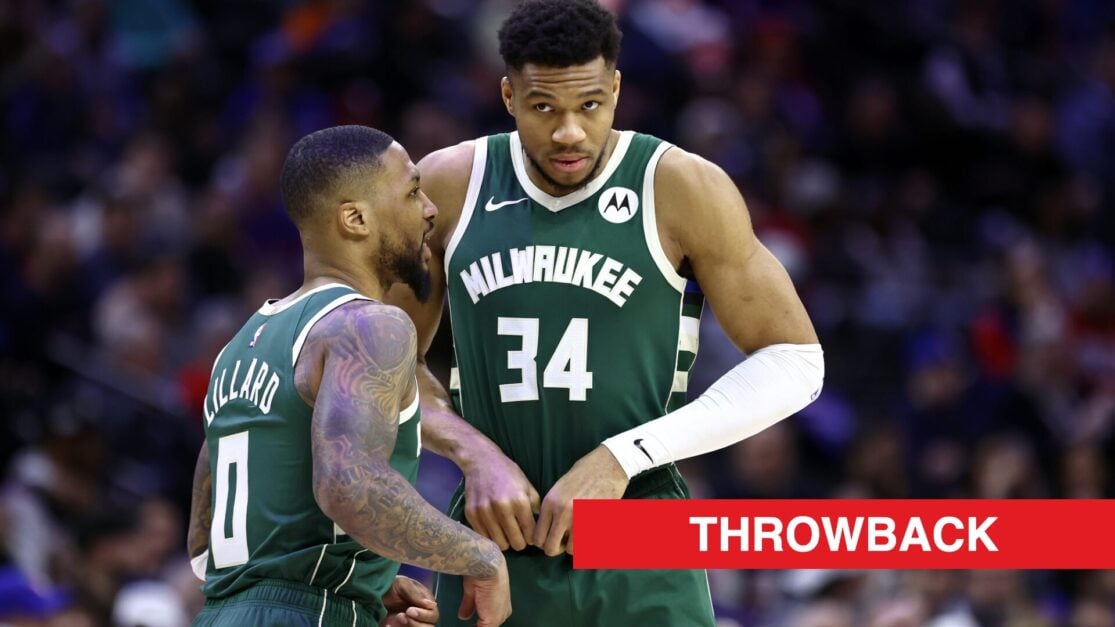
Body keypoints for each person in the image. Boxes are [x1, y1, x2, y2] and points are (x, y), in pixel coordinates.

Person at [385, 1, 826, 625]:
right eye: (545, 108)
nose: (570, 132)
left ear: (616, 88)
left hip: (641, 527)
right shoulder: (452, 183)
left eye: (589, 105)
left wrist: (624, 456)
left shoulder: (679, 186)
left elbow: (796, 361)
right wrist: (472, 454)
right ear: (508, 95)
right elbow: (383, 361)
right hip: (493, 532)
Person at [186, 125, 511, 627]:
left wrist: (364, 582)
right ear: (356, 219)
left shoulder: (241, 343)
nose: (429, 209)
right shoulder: (369, 324)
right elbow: (348, 488)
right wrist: (480, 556)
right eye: (411, 191)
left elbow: (201, 541)